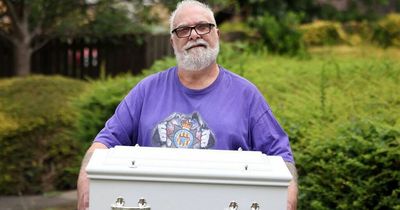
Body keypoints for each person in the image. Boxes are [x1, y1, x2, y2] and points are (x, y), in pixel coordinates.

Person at [77, 0, 298, 209]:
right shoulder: (146, 91)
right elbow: (104, 143)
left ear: (217, 34)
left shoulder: (246, 95)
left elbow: (280, 156)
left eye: (203, 26)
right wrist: (86, 180)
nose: (194, 35)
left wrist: (287, 201)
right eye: (183, 30)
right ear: (173, 41)